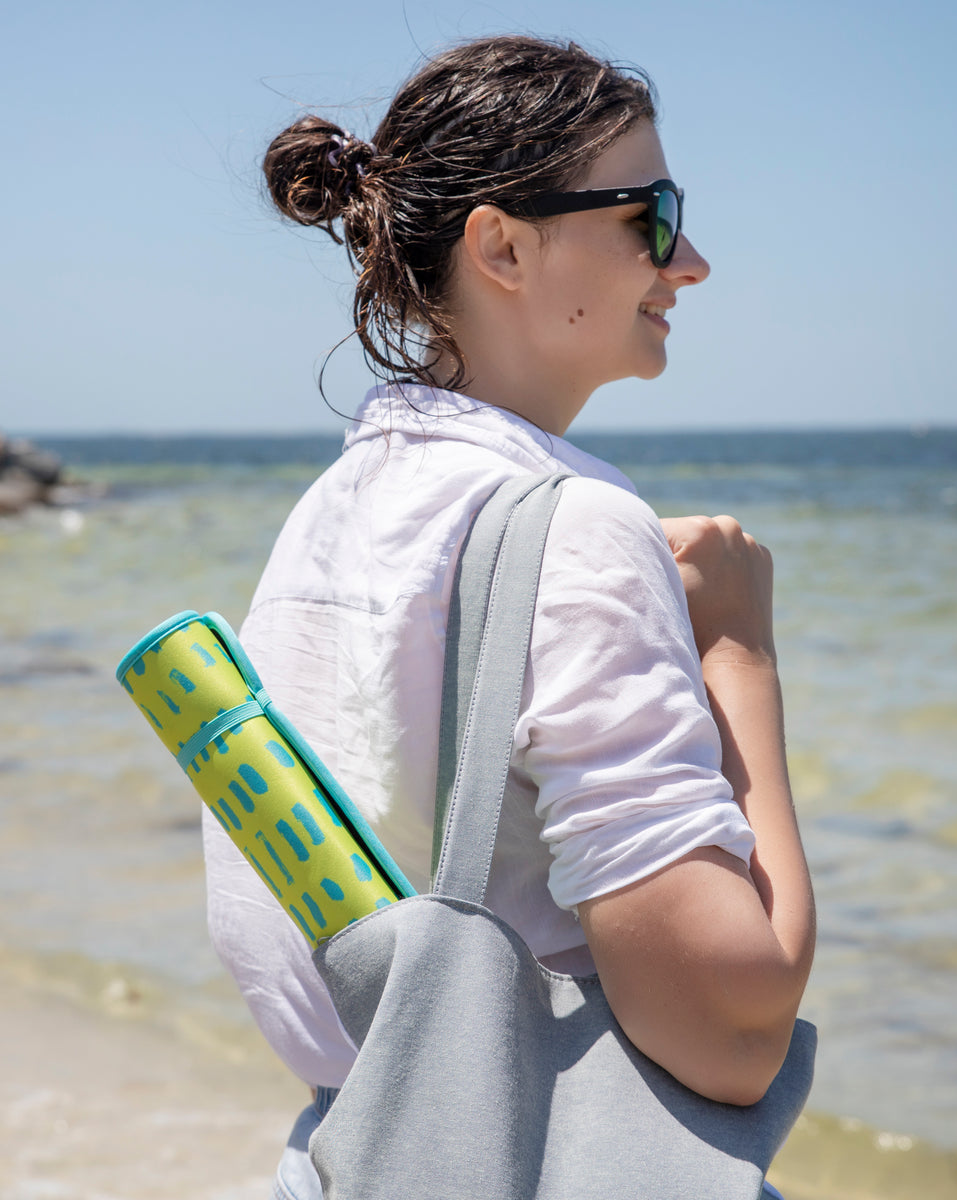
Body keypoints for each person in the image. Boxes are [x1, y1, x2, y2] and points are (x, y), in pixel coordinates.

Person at [200, 35, 816, 1199]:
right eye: (653, 214)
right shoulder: (576, 524)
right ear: (501, 245)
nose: (691, 263)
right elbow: (730, 1033)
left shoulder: (328, 514)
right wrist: (740, 649)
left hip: (344, 1156)